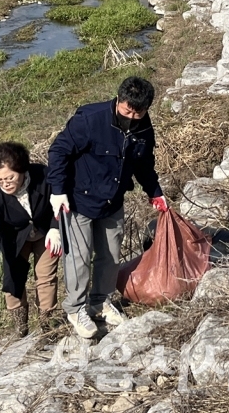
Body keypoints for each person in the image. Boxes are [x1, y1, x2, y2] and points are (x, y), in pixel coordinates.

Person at [47, 76, 168, 339]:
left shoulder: (144, 129)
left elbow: (144, 164)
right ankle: (76, 308)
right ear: (119, 100)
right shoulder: (90, 119)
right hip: (79, 200)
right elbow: (58, 151)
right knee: (78, 259)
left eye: (139, 112)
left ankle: (100, 301)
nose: (132, 117)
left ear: (147, 108)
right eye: (127, 111)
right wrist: (57, 191)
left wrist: (155, 192)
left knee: (111, 256)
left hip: (113, 201)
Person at [0, 142, 62, 337]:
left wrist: (56, 229)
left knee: (46, 277)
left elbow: (60, 199)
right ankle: (21, 329)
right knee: (13, 281)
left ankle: (47, 329)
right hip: (15, 239)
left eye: (10, 178)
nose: (5, 184)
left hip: (45, 233)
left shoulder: (44, 176)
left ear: (22, 170)